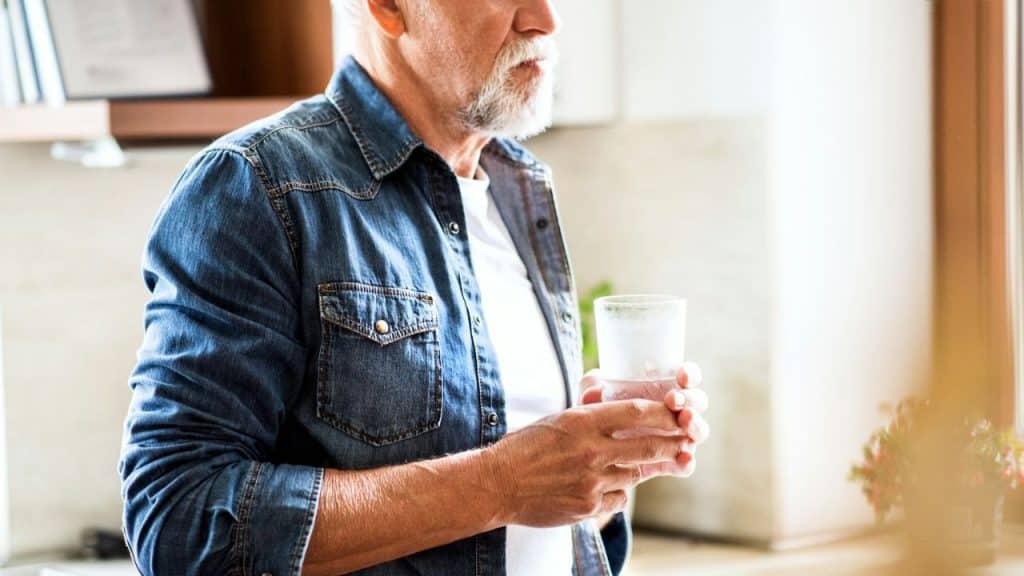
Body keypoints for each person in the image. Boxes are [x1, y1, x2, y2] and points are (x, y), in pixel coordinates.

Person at [118, 0, 711, 574]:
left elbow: (530, 523)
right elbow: (176, 518)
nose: (545, 19)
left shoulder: (515, 188)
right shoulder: (257, 184)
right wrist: (503, 482)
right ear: (388, 6)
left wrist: (594, 481)